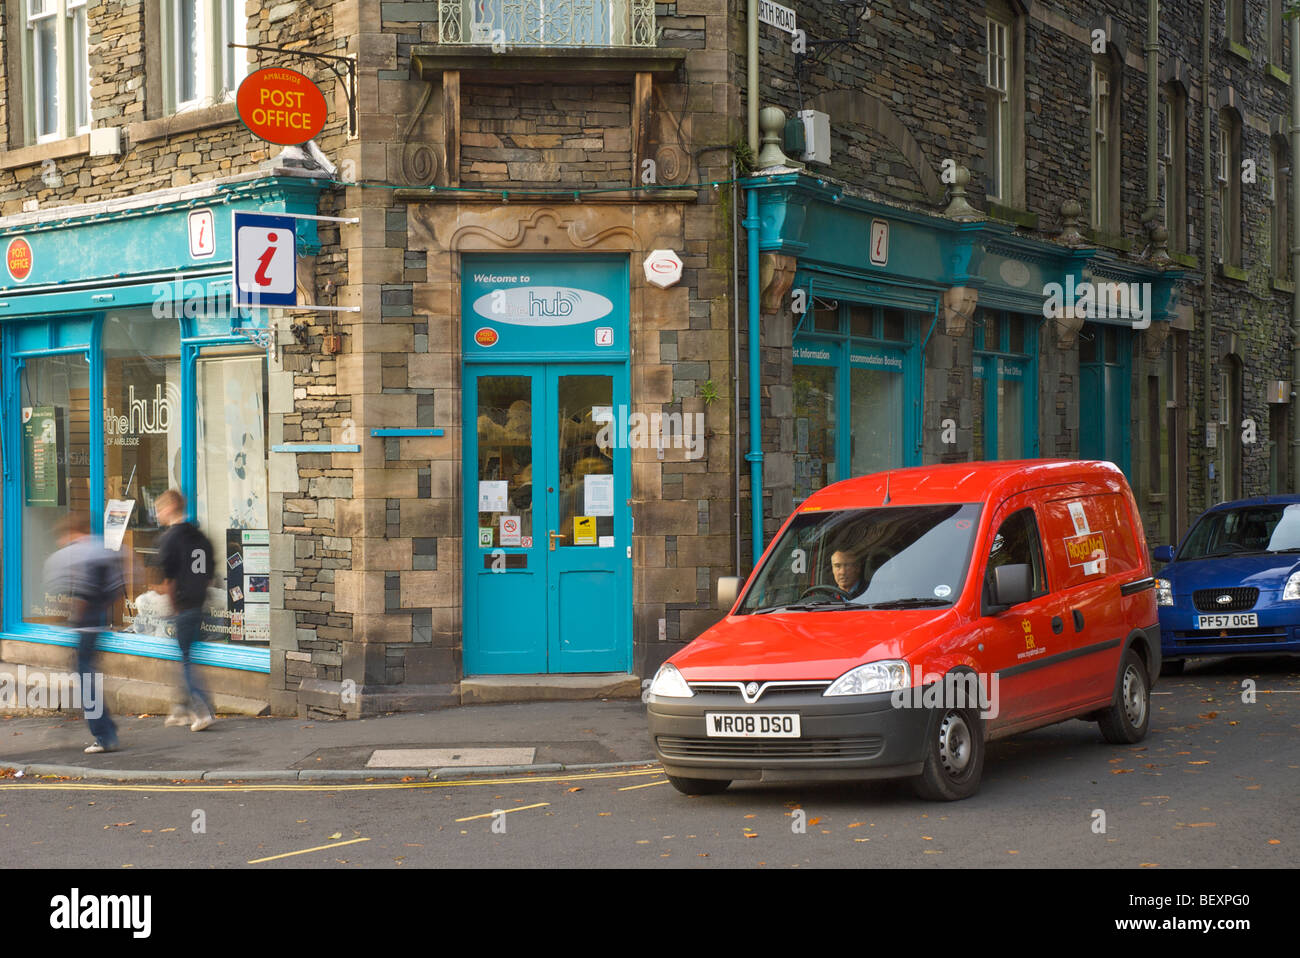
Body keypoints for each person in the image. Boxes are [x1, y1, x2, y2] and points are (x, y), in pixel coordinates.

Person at [42, 513, 124, 754]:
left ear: (70, 532)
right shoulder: (101, 550)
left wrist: (74, 616)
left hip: (85, 627)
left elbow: (82, 594)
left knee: (86, 680)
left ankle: (104, 735)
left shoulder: (78, 554)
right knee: (86, 675)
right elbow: (117, 588)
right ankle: (107, 727)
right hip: (98, 626)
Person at [154, 489, 216, 731]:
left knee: (186, 660)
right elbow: (209, 575)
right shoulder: (200, 536)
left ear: (170, 508)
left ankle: (202, 711)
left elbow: (169, 579)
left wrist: (174, 606)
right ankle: (181, 709)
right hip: (199, 603)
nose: (158, 514)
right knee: (185, 656)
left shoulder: (170, 539)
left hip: (183, 606)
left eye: (159, 509)